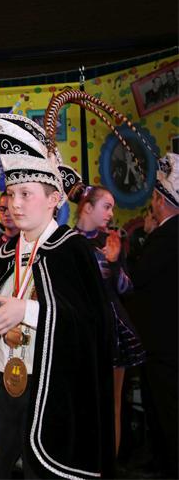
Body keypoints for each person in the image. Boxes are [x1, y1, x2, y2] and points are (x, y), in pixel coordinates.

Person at [0, 113, 114, 478]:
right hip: (2, 384)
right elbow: (1, 319)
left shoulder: (72, 250)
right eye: (11, 194)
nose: (15, 204)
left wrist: (29, 311)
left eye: (26, 194)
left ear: (54, 199)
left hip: (52, 389)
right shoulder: (4, 252)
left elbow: (93, 325)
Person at [73, 185, 146, 455]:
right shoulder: (66, 243)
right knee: (80, 404)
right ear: (87, 207)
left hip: (111, 328)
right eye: (106, 207)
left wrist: (114, 262)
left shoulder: (110, 240)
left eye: (112, 208)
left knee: (111, 404)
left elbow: (126, 288)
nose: (111, 214)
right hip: (79, 331)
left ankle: (109, 467)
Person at [125, 153, 179, 478]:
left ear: (160, 200)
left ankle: (169, 465)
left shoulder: (166, 236)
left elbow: (138, 279)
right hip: (165, 340)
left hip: (164, 342)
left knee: (166, 407)